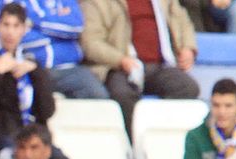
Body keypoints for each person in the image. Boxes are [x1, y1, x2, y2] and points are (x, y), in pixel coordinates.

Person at [81, 0, 199, 129]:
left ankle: (158, 135)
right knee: (121, 94)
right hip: (118, 67)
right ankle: (131, 143)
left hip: (160, 66)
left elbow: (183, 21)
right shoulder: (97, 3)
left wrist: (188, 47)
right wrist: (120, 60)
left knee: (187, 87)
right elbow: (90, 42)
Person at [0, 4, 57, 156]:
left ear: (23, 29)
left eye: (16, 26)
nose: (10, 32)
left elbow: (47, 111)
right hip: (0, 136)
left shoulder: (32, 66)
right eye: (6, 25)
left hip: (33, 134)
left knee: (57, 157)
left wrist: (36, 73)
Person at [0, 0, 107, 99]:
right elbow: (13, 36)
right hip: (31, 69)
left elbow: (77, 27)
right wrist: (60, 33)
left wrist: (34, 22)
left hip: (68, 69)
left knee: (98, 95)